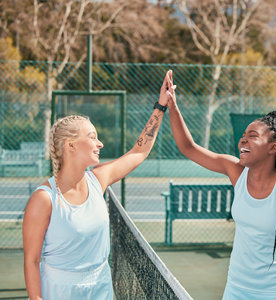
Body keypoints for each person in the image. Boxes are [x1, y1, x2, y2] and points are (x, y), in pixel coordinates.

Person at [22, 70, 173, 300]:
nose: (99, 143)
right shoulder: (44, 199)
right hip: (59, 290)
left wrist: (161, 106)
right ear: (70, 145)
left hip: (101, 285)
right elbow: (31, 261)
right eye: (92, 137)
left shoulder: (98, 179)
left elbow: (139, 152)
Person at [164, 72, 276, 300]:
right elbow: (189, 148)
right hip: (236, 289)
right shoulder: (235, 171)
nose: (243, 140)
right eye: (243, 135)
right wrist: (172, 104)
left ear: (273, 148)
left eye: (252, 136)